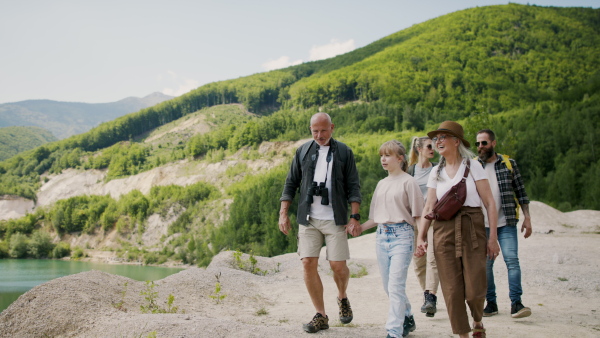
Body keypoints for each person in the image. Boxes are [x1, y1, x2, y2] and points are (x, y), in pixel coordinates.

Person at [415, 121, 500, 338]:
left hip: (472, 226)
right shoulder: (436, 171)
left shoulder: (473, 166)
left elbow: (490, 202)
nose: (439, 141)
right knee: (452, 289)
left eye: (444, 137)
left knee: (474, 288)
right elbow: (429, 206)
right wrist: (422, 236)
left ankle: (478, 319)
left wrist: (493, 238)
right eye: (437, 138)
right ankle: (463, 333)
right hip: (443, 229)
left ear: (457, 141)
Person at [279, 112, 362, 334]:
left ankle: (342, 296)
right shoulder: (303, 150)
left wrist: (354, 217)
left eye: (323, 130)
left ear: (332, 127)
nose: (319, 135)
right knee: (307, 263)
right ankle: (321, 315)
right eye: (315, 131)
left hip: (335, 218)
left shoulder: (344, 152)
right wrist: (283, 213)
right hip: (308, 218)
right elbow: (290, 183)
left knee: (338, 266)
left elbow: (354, 185)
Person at [357, 140, 424, 338]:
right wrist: (358, 228)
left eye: (387, 155)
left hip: (403, 236)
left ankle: (394, 332)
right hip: (382, 237)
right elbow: (376, 218)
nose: (383, 159)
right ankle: (407, 316)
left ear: (400, 158)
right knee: (389, 287)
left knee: (396, 286)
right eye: (381, 156)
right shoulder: (381, 184)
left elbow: (418, 216)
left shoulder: (409, 182)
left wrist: (421, 241)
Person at [476, 129, 532, 319]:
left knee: (512, 260)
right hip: (482, 224)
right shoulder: (475, 167)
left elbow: (521, 192)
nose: (480, 147)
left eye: (484, 143)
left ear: (493, 143)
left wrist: (527, 217)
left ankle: (516, 303)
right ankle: (491, 303)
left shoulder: (508, 164)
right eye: (478, 144)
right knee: (485, 265)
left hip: (506, 221)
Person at [407, 136, 440, 318]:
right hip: (415, 221)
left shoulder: (438, 169)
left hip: (434, 219)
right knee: (419, 262)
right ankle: (427, 294)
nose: (432, 149)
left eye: (433, 146)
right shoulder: (410, 171)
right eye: (429, 146)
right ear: (419, 149)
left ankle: (431, 297)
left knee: (433, 258)